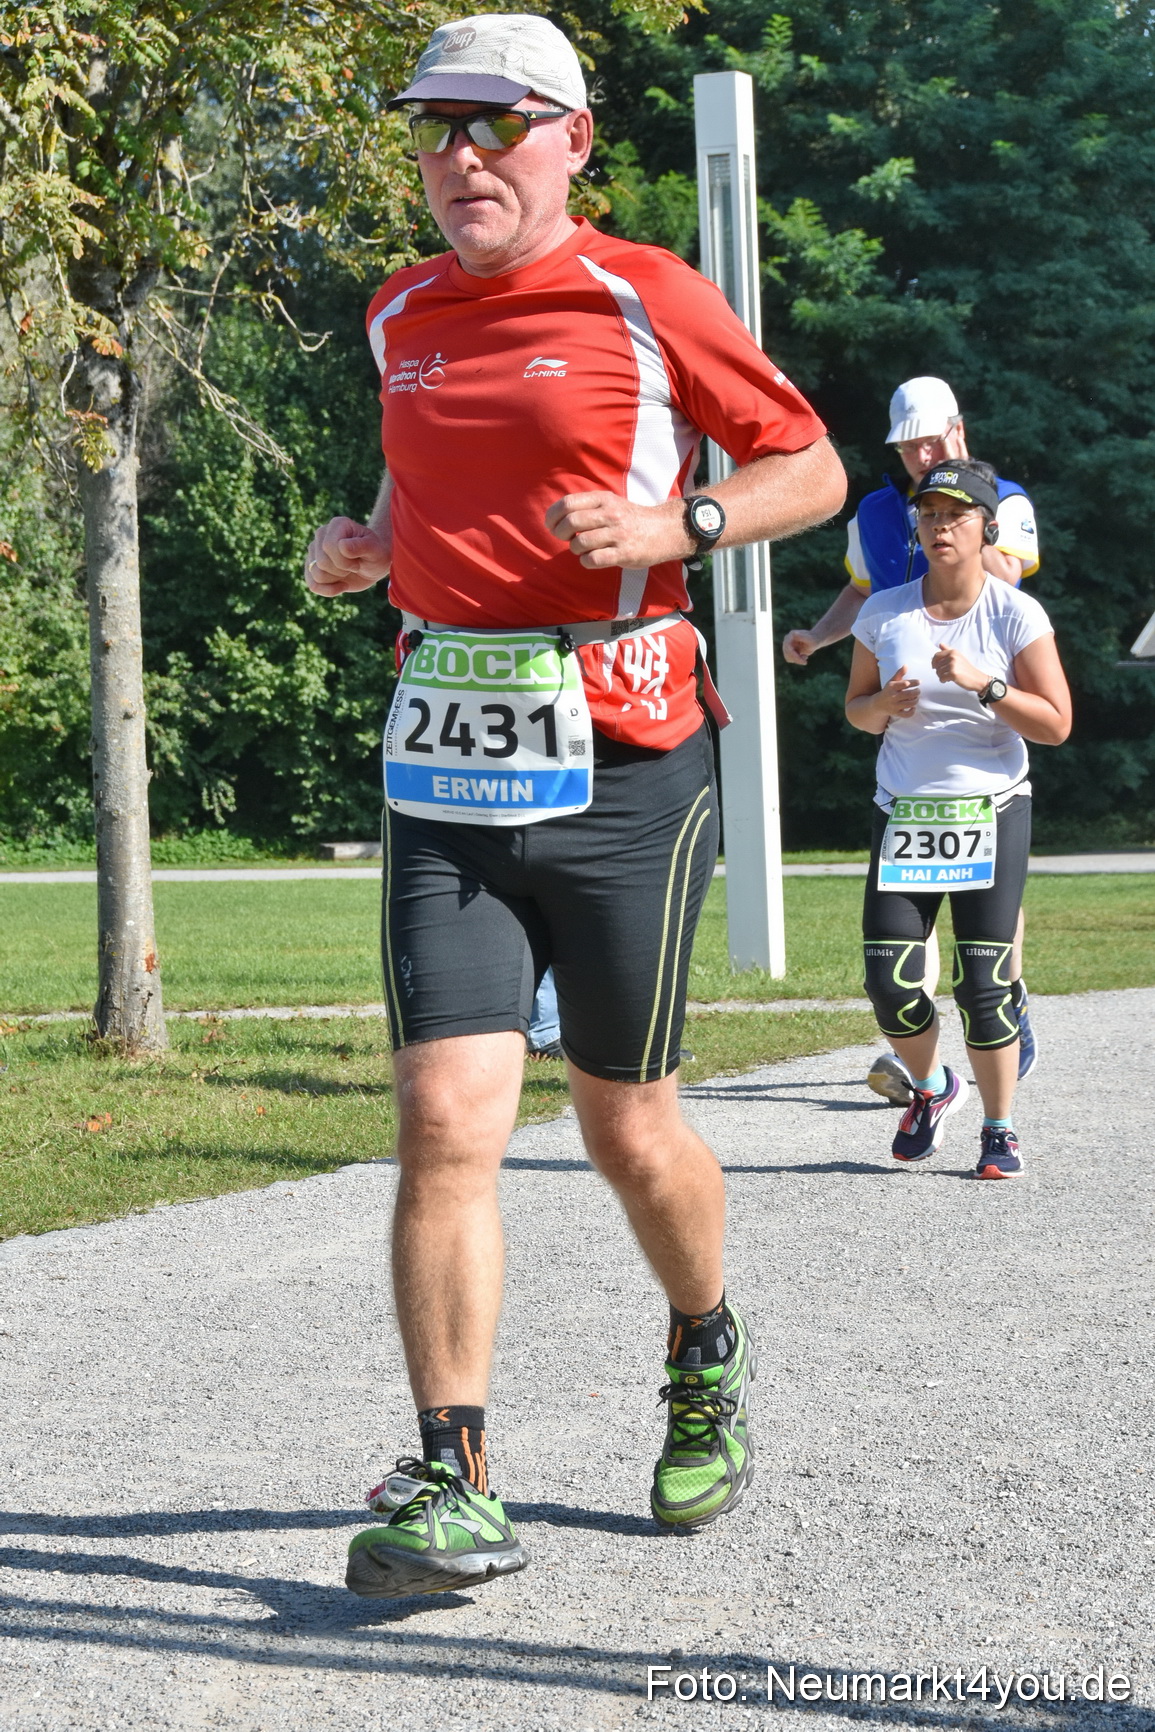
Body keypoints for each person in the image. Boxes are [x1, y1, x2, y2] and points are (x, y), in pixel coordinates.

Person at [303, 12, 846, 1598]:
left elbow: (802, 466)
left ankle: (699, 1344)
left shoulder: (646, 293)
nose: (458, 156)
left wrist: (673, 513)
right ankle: (455, 1472)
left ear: (571, 139)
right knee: (442, 1122)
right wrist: (364, 552)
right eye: (431, 128)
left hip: (624, 755)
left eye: (493, 125)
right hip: (447, 762)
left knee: (623, 1124)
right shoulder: (397, 314)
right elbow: (422, 505)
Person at [782, 376, 1042, 1105]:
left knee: (987, 877)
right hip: (903, 716)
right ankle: (916, 1052)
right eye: (910, 446)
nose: (921, 456)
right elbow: (863, 594)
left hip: (982, 713)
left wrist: (961, 512)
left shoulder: (1005, 497)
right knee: (912, 880)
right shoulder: (873, 511)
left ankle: (1004, 997)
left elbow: (1008, 579)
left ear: (956, 431)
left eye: (933, 441)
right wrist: (819, 635)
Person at [845, 459, 1070, 1178]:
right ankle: (934, 1088)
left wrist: (986, 685)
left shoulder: (1013, 613)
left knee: (983, 981)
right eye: (929, 515)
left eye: (957, 515)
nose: (940, 527)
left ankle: (999, 1129)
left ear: (986, 529)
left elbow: (1055, 723)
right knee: (888, 978)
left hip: (991, 809)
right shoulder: (882, 610)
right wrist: (881, 708)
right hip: (904, 813)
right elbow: (855, 711)